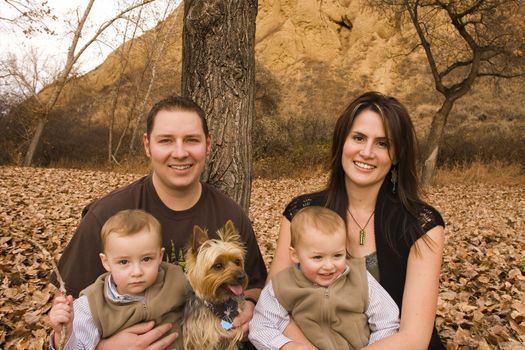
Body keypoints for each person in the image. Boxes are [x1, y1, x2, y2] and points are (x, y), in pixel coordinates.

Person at [51, 95, 267, 349]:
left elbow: (254, 286)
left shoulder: (230, 213)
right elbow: (64, 311)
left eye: (192, 140)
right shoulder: (107, 215)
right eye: (166, 140)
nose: (180, 152)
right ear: (147, 145)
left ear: (207, 145)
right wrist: (103, 348)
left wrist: (249, 307)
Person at [268, 91, 445, 349]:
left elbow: (413, 337)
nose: (367, 152)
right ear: (343, 142)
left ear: (396, 155)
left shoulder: (421, 225)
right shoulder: (301, 212)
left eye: (383, 143)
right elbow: (275, 307)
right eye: (359, 138)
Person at [249, 206, 400, 350]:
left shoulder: (360, 278)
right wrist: (285, 345)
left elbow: (387, 321)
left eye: (337, 255)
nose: (329, 266)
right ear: (295, 255)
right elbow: (260, 325)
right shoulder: (282, 285)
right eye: (317, 257)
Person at [49, 209, 188, 349]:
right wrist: (64, 334)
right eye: (124, 262)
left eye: (146, 259)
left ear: (160, 256)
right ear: (106, 262)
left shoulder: (176, 279)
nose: (137, 272)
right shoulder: (93, 304)